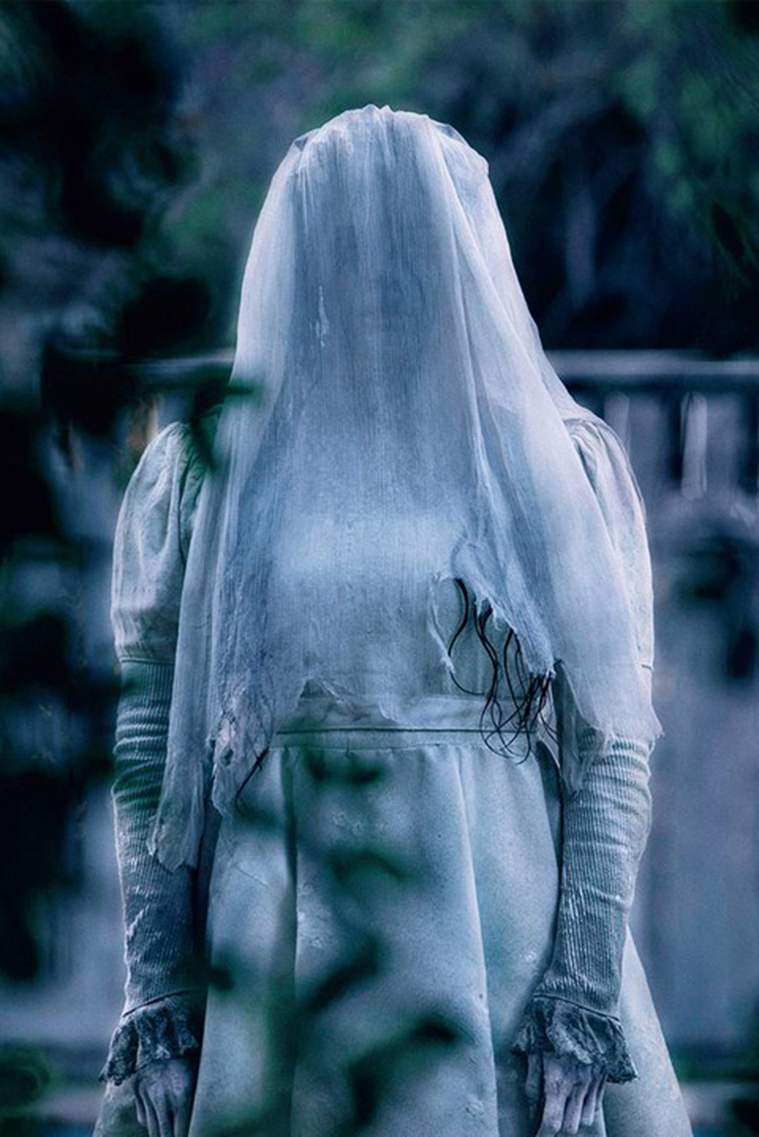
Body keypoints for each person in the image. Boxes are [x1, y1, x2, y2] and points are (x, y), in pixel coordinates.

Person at [94, 105, 693, 1137]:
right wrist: (160, 991)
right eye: (343, 243)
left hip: (499, 939)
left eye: (401, 245)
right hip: (274, 953)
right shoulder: (211, 475)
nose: (374, 277)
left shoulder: (551, 468)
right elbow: (152, 740)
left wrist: (580, 990)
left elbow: (611, 744)